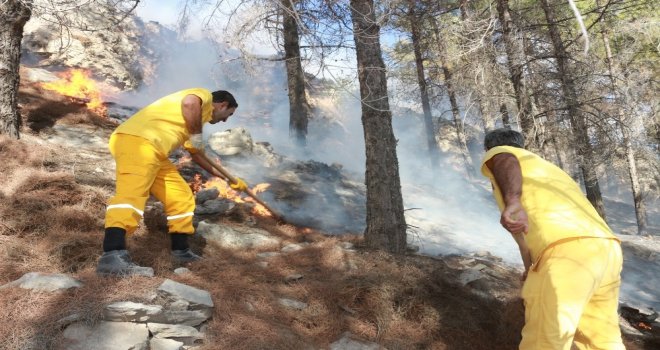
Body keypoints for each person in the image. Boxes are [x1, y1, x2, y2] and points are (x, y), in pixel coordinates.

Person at [480, 128, 624, 349]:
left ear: (488, 149)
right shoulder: (546, 169)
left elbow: (504, 157)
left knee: (545, 340)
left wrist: (513, 199)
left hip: (567, 252)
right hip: (606, 249)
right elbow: (524, 235)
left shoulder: (503, 154)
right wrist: (530, 268)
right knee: (601, 340)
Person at [97, 88, 248, 277]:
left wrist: (228, 180)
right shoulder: (202, 96)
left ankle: (181, 252)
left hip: (155, 150)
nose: (226, 120)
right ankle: (112, 256)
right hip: (138, 141)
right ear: (223, 104)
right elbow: (189, 103)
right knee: (130, 197)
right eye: (229, 114)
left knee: (180, 196)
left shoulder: (193, 120)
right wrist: (197, 137)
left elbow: (197, 155)